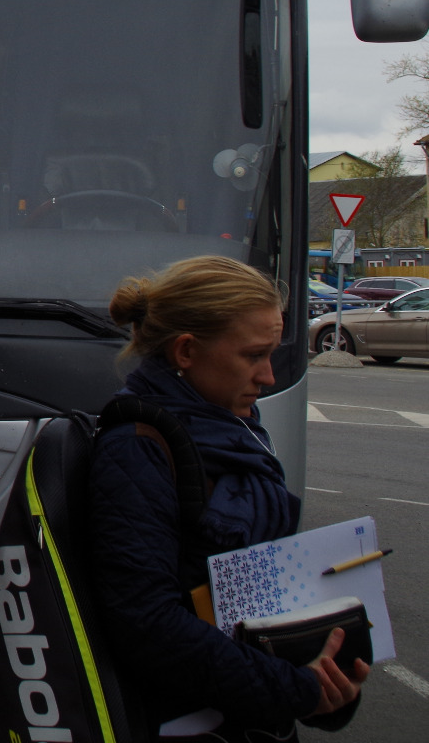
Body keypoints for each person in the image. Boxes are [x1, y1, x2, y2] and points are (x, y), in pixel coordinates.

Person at [93, 256, 368, 741]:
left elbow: (265, 595)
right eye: (252, 356)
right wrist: (294, 688)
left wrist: (324, 684)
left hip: (245, 716)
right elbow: (149, 626)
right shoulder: (139, 448)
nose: (269, 376)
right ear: (186, 352)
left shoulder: (233, 428)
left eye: (272, 353)